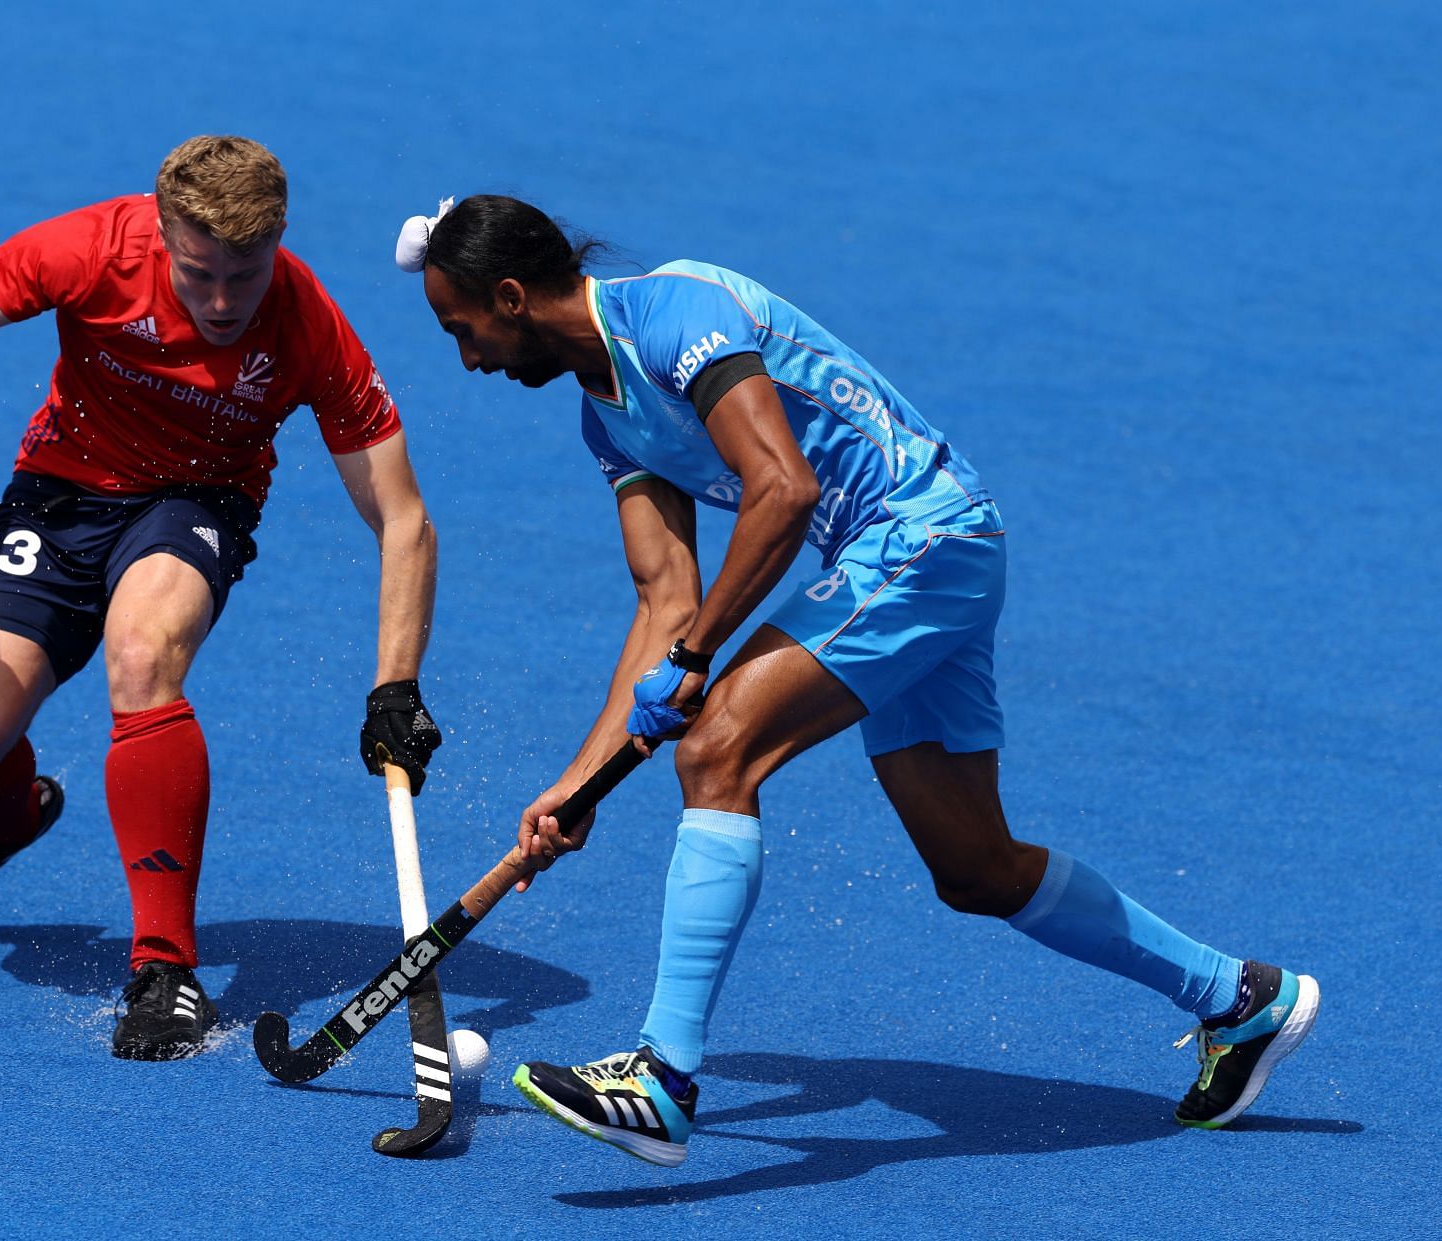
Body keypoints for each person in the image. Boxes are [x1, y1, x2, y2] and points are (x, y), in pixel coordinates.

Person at [396, 194, 1317, 1165]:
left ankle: (663, 1077)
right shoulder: (608, 423)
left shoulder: (674, 313)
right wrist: (577, 785)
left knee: (717, 749)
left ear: (510, 296)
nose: (470, 360)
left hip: (921, 537)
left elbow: (782, 488)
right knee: (976, 868)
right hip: (904, 560)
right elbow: (664, 605)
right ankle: (1240, 994)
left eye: (463, 331)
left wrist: (700, 656)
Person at [0, 136, 441, 1061]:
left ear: (279, 242)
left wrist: (395, 685)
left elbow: (404, 520)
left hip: (195, 502)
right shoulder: (95, 249)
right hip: (59, 492)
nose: (222, 302)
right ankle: (6, 819)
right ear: (162, 231)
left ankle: (166, 969)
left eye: (244, 275)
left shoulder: (306, 325)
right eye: (200, 272)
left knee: (143, 655)